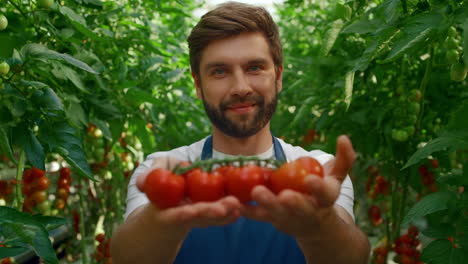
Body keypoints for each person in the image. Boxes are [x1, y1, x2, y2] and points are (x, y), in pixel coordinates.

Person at [110, 2, 370, 264]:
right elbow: (125, 258)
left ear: (278, 77)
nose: (240, 87)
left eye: (254, 67)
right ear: (198, 86)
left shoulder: (317, 170)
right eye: (220, 71)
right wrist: (162, 216)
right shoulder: (163, 170)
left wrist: (320, 225)